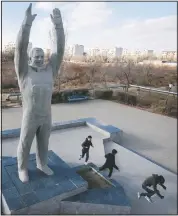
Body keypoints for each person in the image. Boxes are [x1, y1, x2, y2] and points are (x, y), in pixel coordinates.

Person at [14, 3, 65, 183]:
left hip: (46, 115)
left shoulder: (50, 70)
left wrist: (58, 25)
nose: (40, 59)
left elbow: (59, 50)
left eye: (42, 56)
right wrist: (26, 24)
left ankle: (42, 164)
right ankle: (22, 168)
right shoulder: (24, 73)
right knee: (25, 144)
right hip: (31, 116)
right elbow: (20, 49)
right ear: (30, 58)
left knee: (44, 144)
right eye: (36, 56)